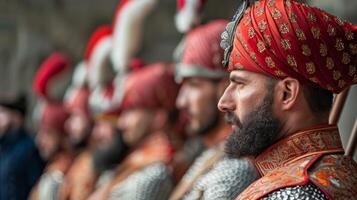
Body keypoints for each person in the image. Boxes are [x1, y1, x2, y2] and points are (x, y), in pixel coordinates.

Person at [218, 0, 357, 199]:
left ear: (287, 93)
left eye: (240, 84)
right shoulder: (340, 172)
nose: (223, 102)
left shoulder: (294, 192)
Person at [170, 20, 259, 200]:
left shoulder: (236, 167)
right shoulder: (212, 155)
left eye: (194, 85)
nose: (181, 101)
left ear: (225, 86)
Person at [88, 63, 179, 200]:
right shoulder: (138, 161)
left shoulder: (155, 175)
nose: (121, 122)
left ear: (159, 116)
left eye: (131, 110)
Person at [29, 52, 75, 200]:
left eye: (47, 133)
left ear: (62, 134)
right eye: (40, 132)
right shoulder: (53, 168)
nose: (39, 140)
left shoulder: (61, 174)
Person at [0, 94, 45, 200]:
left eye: (2, 112)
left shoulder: (29, 147)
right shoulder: (4, 146)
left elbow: (35, 186)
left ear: (16, 116)